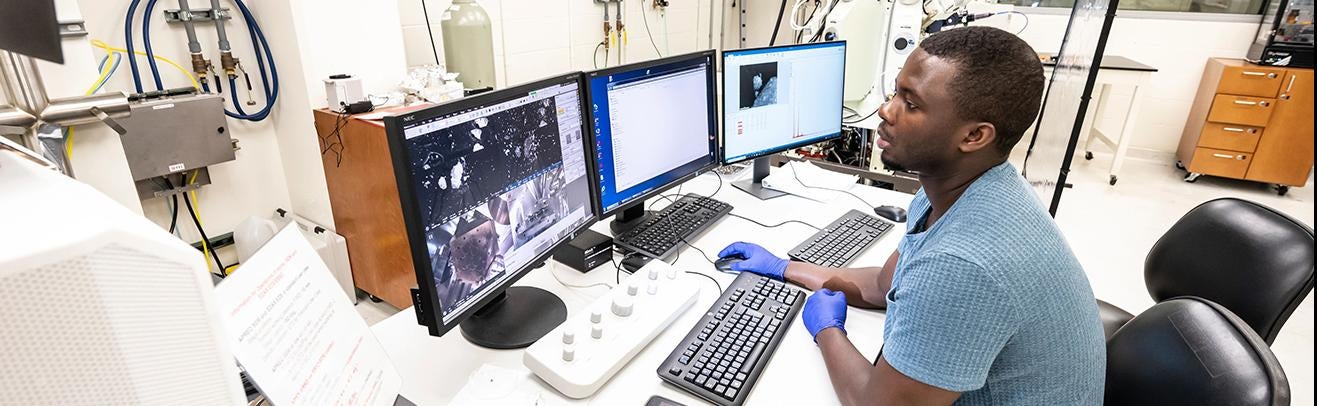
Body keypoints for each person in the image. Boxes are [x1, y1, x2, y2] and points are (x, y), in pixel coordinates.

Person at [718, 27, 1105, 405]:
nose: (886, 110)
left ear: (974, 136)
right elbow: (883, 285)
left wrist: (828, 331)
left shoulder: (965, 263)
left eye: (912, 103)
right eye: (895, 93)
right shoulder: (959, 187)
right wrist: (784, 267)